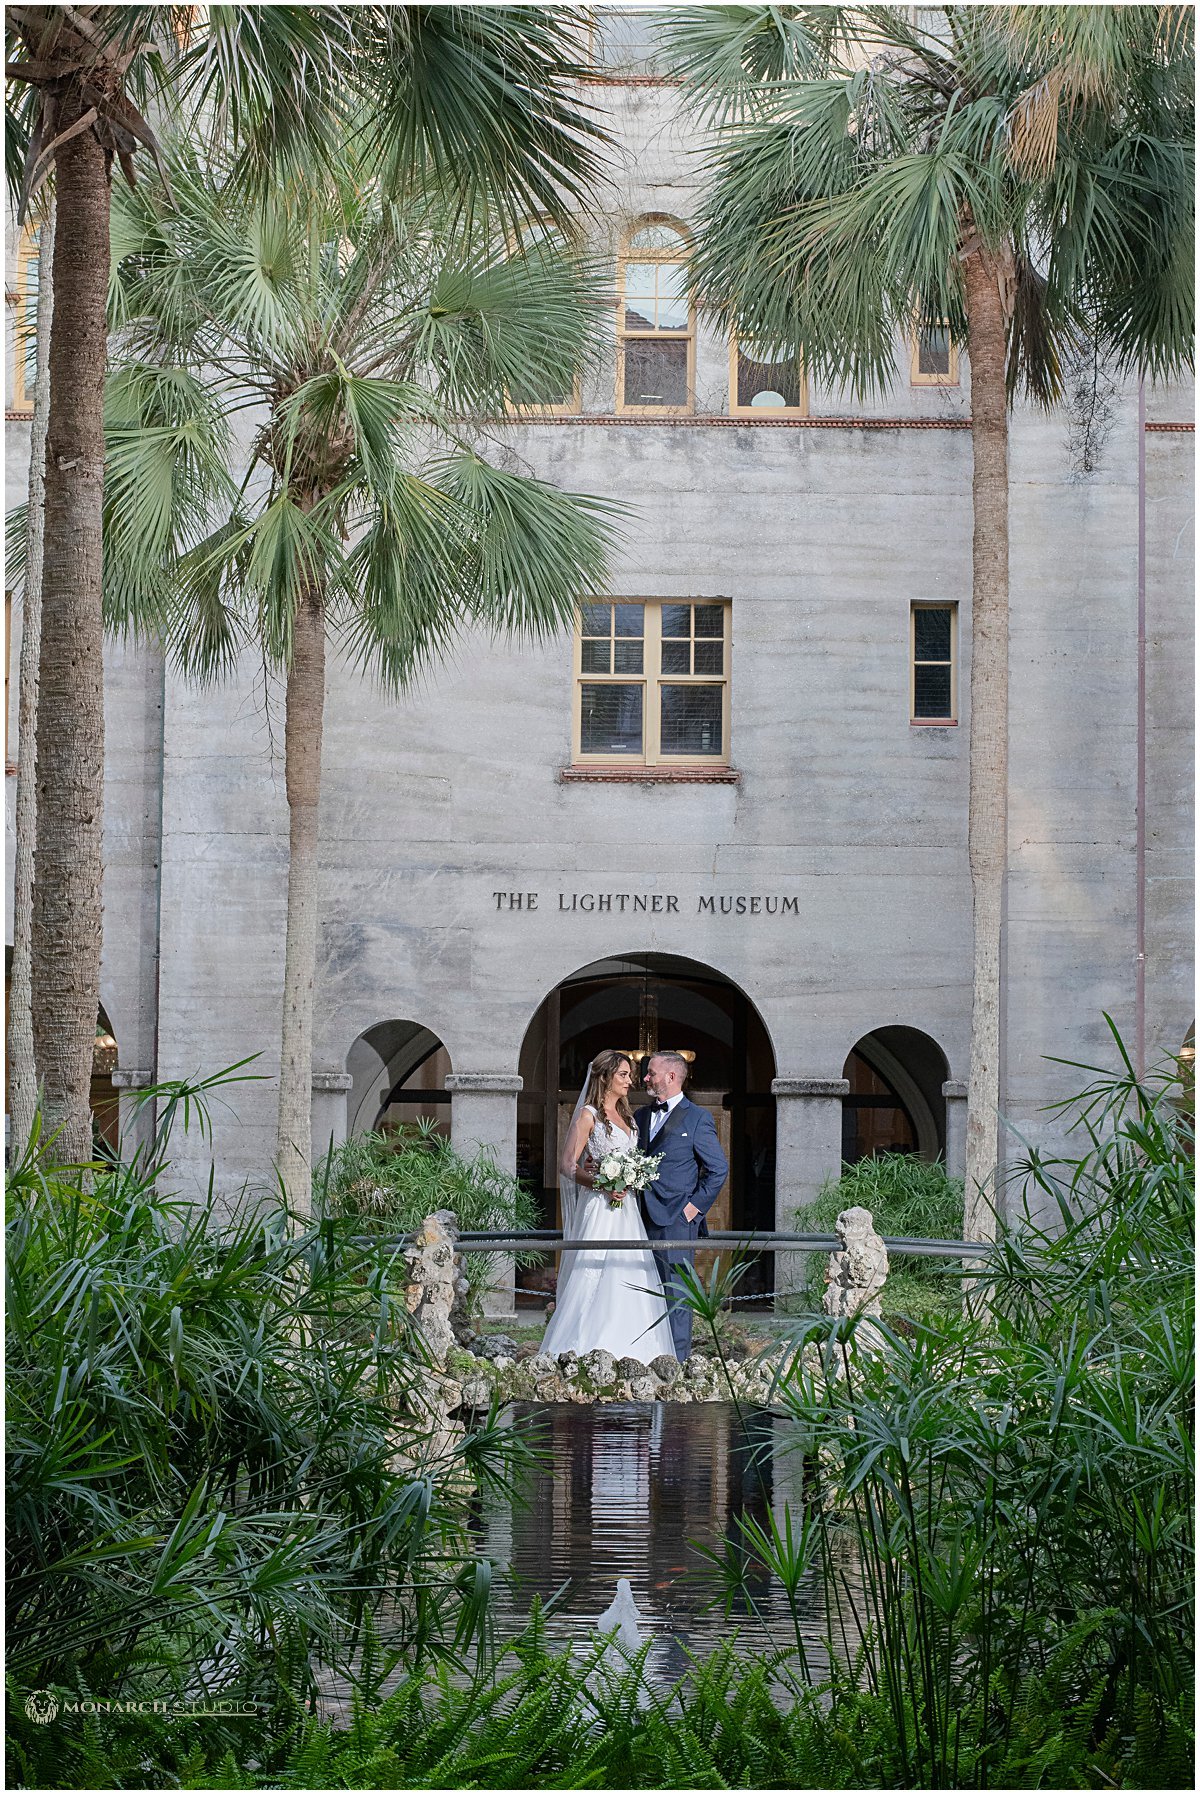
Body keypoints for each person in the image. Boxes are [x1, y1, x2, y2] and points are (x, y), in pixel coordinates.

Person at [540, 1050, 677, 1361]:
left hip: (628, 1211)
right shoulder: (588, 1115)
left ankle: (638, 1352)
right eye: (623, 1075)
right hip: (601, 1209)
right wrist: (603, 1184)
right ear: (604, 1078)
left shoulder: (627, 1117)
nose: (630, 1081)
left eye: (629, 1075)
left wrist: (633, 1178)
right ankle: (583, 1348)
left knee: (631, 1272)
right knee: (597, 1271)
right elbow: (567, 1165)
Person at [634, 1052, 729, 1360]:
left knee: (676, 1292)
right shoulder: (640, 1116)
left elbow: (717, 1169)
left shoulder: (697, 1117)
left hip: (676, 1219)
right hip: (635, 1217)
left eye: (651, 1073)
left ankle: (677, 1363)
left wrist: (692, 1210)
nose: (646, 1078)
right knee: (639, 1287)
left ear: (672, 1077)